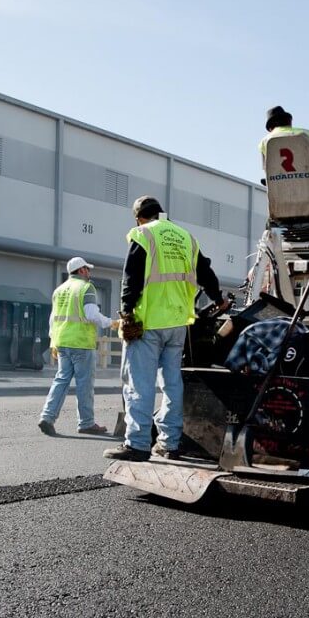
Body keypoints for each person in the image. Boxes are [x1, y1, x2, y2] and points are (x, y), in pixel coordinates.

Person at [103, 196, 231, 462]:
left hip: (148, 322)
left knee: (140, 383)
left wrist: (126, 313)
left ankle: (137, 444)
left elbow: (132, 278)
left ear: (139, 217)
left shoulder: (143, 234)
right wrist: (219, 299)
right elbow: (206, 272)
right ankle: (169, 443)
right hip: (178, 324)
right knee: (172, 384)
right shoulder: (186, 237)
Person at [38, 256, 118, 436]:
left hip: (62, 343)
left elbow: (53, 319)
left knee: (61, 380)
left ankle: (47, 417)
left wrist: (52, 342)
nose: (89, 273)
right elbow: (92, 314)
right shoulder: (86, 287)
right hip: (81, 343)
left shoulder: (59, 290)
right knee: (84, 384)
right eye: (87, 269)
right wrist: (112, 323)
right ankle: (86, 423)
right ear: (81, 270)